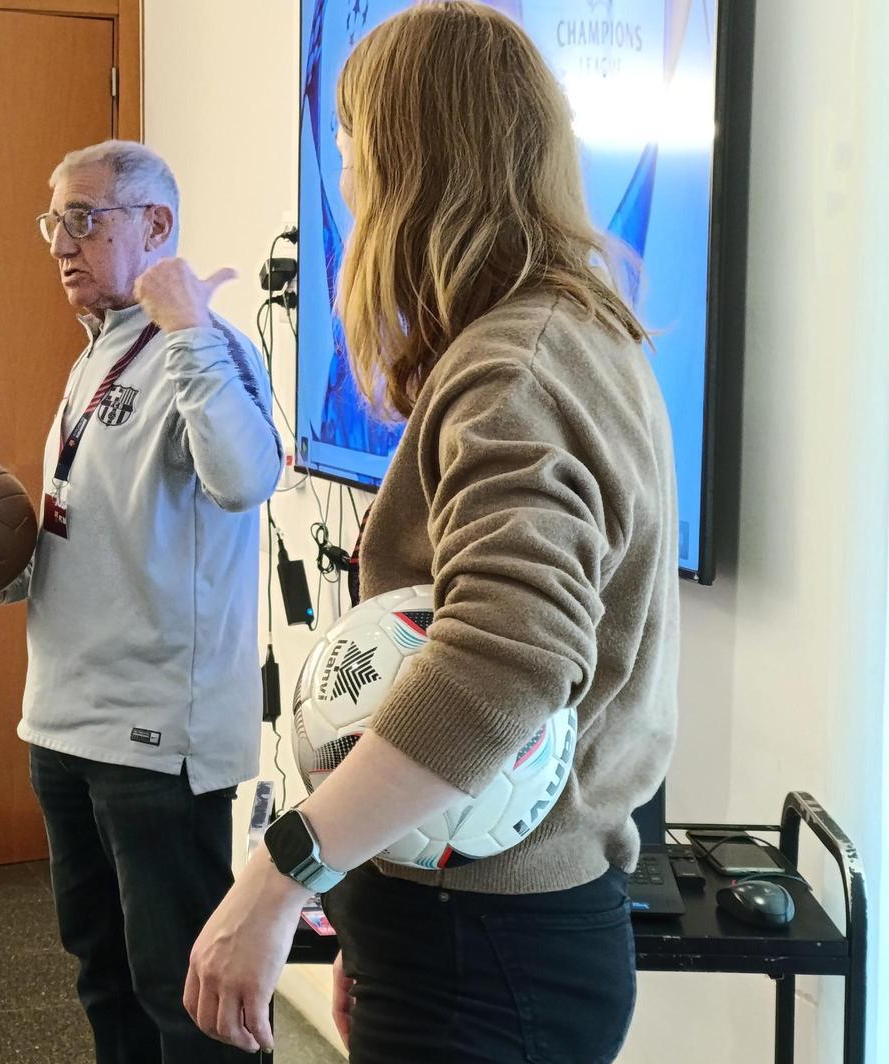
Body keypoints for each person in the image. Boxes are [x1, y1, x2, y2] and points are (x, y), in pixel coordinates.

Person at [184, 5, 679, 1062]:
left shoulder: (515, 368)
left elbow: (508, 656)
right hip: (476, 944)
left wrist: (280, 873)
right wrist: (373, 916)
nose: (345, 175)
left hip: (489, 954)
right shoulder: (562, 329)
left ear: (408, 163)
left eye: (352, 142)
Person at [0, 140, 281, 1063]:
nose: (61, 243)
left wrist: (190, 329)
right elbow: (101, 529)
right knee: (101, 974)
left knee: (185, 995)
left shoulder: (207, 347)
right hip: (62, 724)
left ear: (157, 224)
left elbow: (244, 479)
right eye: (54, 222)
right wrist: (7, 582)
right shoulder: (96, 356)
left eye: (85, 218)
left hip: (157, 739)